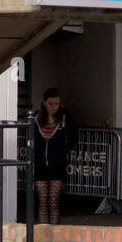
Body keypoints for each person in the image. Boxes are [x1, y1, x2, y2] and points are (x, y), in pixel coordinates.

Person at [32, 88, 76, 224]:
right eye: (51, 103)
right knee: (42, 200)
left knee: (53, 200)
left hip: (58, 165)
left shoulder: (65, 117)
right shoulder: (35, 118)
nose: (54, 107)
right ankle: (43, 233)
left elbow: (74, 138)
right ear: (44, 103)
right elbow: (30, 138)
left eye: (57, 103)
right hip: (40, 164)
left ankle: (55, 233)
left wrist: (62, 153)